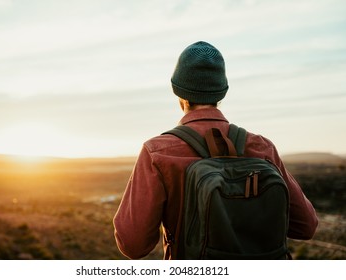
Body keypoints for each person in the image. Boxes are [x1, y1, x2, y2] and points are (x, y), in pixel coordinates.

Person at [113, 41, 318, 260]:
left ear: (178, 93)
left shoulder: (158, 152)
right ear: (222, 93)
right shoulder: (261, 147)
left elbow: (133, 245)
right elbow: (305, 227)